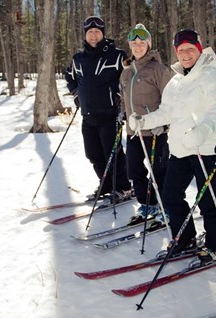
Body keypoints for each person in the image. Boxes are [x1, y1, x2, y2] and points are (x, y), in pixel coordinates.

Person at [128, 29, 216, 262]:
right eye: (180, 49)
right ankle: (184, 239)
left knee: (207, 200)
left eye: (189, 49)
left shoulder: (213, 76)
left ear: (199, 48)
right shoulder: (175, 80)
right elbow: (166, 112)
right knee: (170, 196)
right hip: (180, 149)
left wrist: (202, 131)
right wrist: (144, 121)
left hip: (205, 149)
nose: (185, 54)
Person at [65, 16, 132, 202]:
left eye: (97, 31)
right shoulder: (78, 58)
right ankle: (107, 185)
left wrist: (122, 100)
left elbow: (130, 77)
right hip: (87, 115)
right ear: (85, 35)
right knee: (93, 154)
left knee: (114, 154)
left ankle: (124, 187)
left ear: (103, 33)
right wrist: (76, 94)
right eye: (90, 32)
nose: (93, 35)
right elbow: (69, 76)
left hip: (110, 114)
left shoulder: (117, 55)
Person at [119, 24, 174, 224]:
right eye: (134, 43)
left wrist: (165, 124)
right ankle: (147, 203)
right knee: (133, 170)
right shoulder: (126, 72)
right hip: (134, 131)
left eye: (142, 43)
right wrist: (122, 113)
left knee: (159, 170)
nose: (138, 46)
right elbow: (124, 98)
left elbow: (171, 99)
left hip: (155, 131)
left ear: (148, 45)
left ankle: (165, 205)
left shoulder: (159, 70)